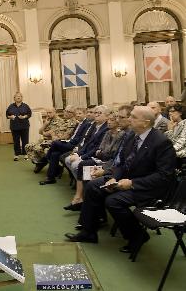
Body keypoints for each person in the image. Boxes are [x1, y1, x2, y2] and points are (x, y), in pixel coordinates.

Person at [65, 106, 176, 257]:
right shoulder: (132, 136)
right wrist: (114, 178)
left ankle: (137, 236)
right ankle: (88, 232)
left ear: (145, 122)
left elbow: (164, 176)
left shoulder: (161, 142)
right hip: (125, 180)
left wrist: (132, 183)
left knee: (113, 201)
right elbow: (122, 163)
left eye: (133, 117)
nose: (129, 119)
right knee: (92, 186)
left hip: (149, 188)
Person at [63, 113, 124, 210]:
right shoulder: (108, 132)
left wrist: (102, 152)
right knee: (85, 168)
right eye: (108, 120)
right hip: (101, 159)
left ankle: (83, 200)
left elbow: (110, 153)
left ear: (117, 122)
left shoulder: (121, 135)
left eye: (112, 120)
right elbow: (100, 149)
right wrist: (101, 152)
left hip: (108, 163)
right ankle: (81, 198)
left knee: (86, 169)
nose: (109, 122)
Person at [5, 92, 32, 160]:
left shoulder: (25, 106)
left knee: (25, 140)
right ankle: (16, 155)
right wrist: (10, 117)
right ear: (14, 98)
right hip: (14, 126)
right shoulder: (11, 106)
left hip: (24, 126)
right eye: (17, 96)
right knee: (16, 141)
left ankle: (25, 154)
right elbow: (7, 115)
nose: (18, 97)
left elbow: (29, 114)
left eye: (20, 96)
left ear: (22, 98)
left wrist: (24, 116)